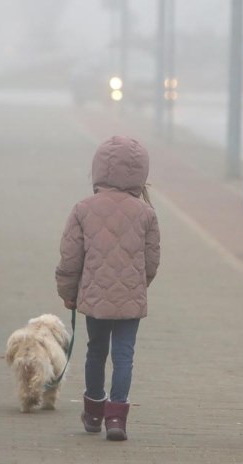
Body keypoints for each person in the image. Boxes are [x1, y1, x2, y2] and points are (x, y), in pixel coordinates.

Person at [56, 136, 161, 442]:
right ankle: (116, 417)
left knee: (96, 351)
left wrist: (68, 292)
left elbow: (70, 257)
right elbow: (152, 259)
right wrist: (139, 285)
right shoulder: (146, 213)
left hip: (95, 297)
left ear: (99, 168)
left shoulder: (83, 209)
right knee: (124, 355)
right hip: (130, 297)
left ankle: (92, 412)